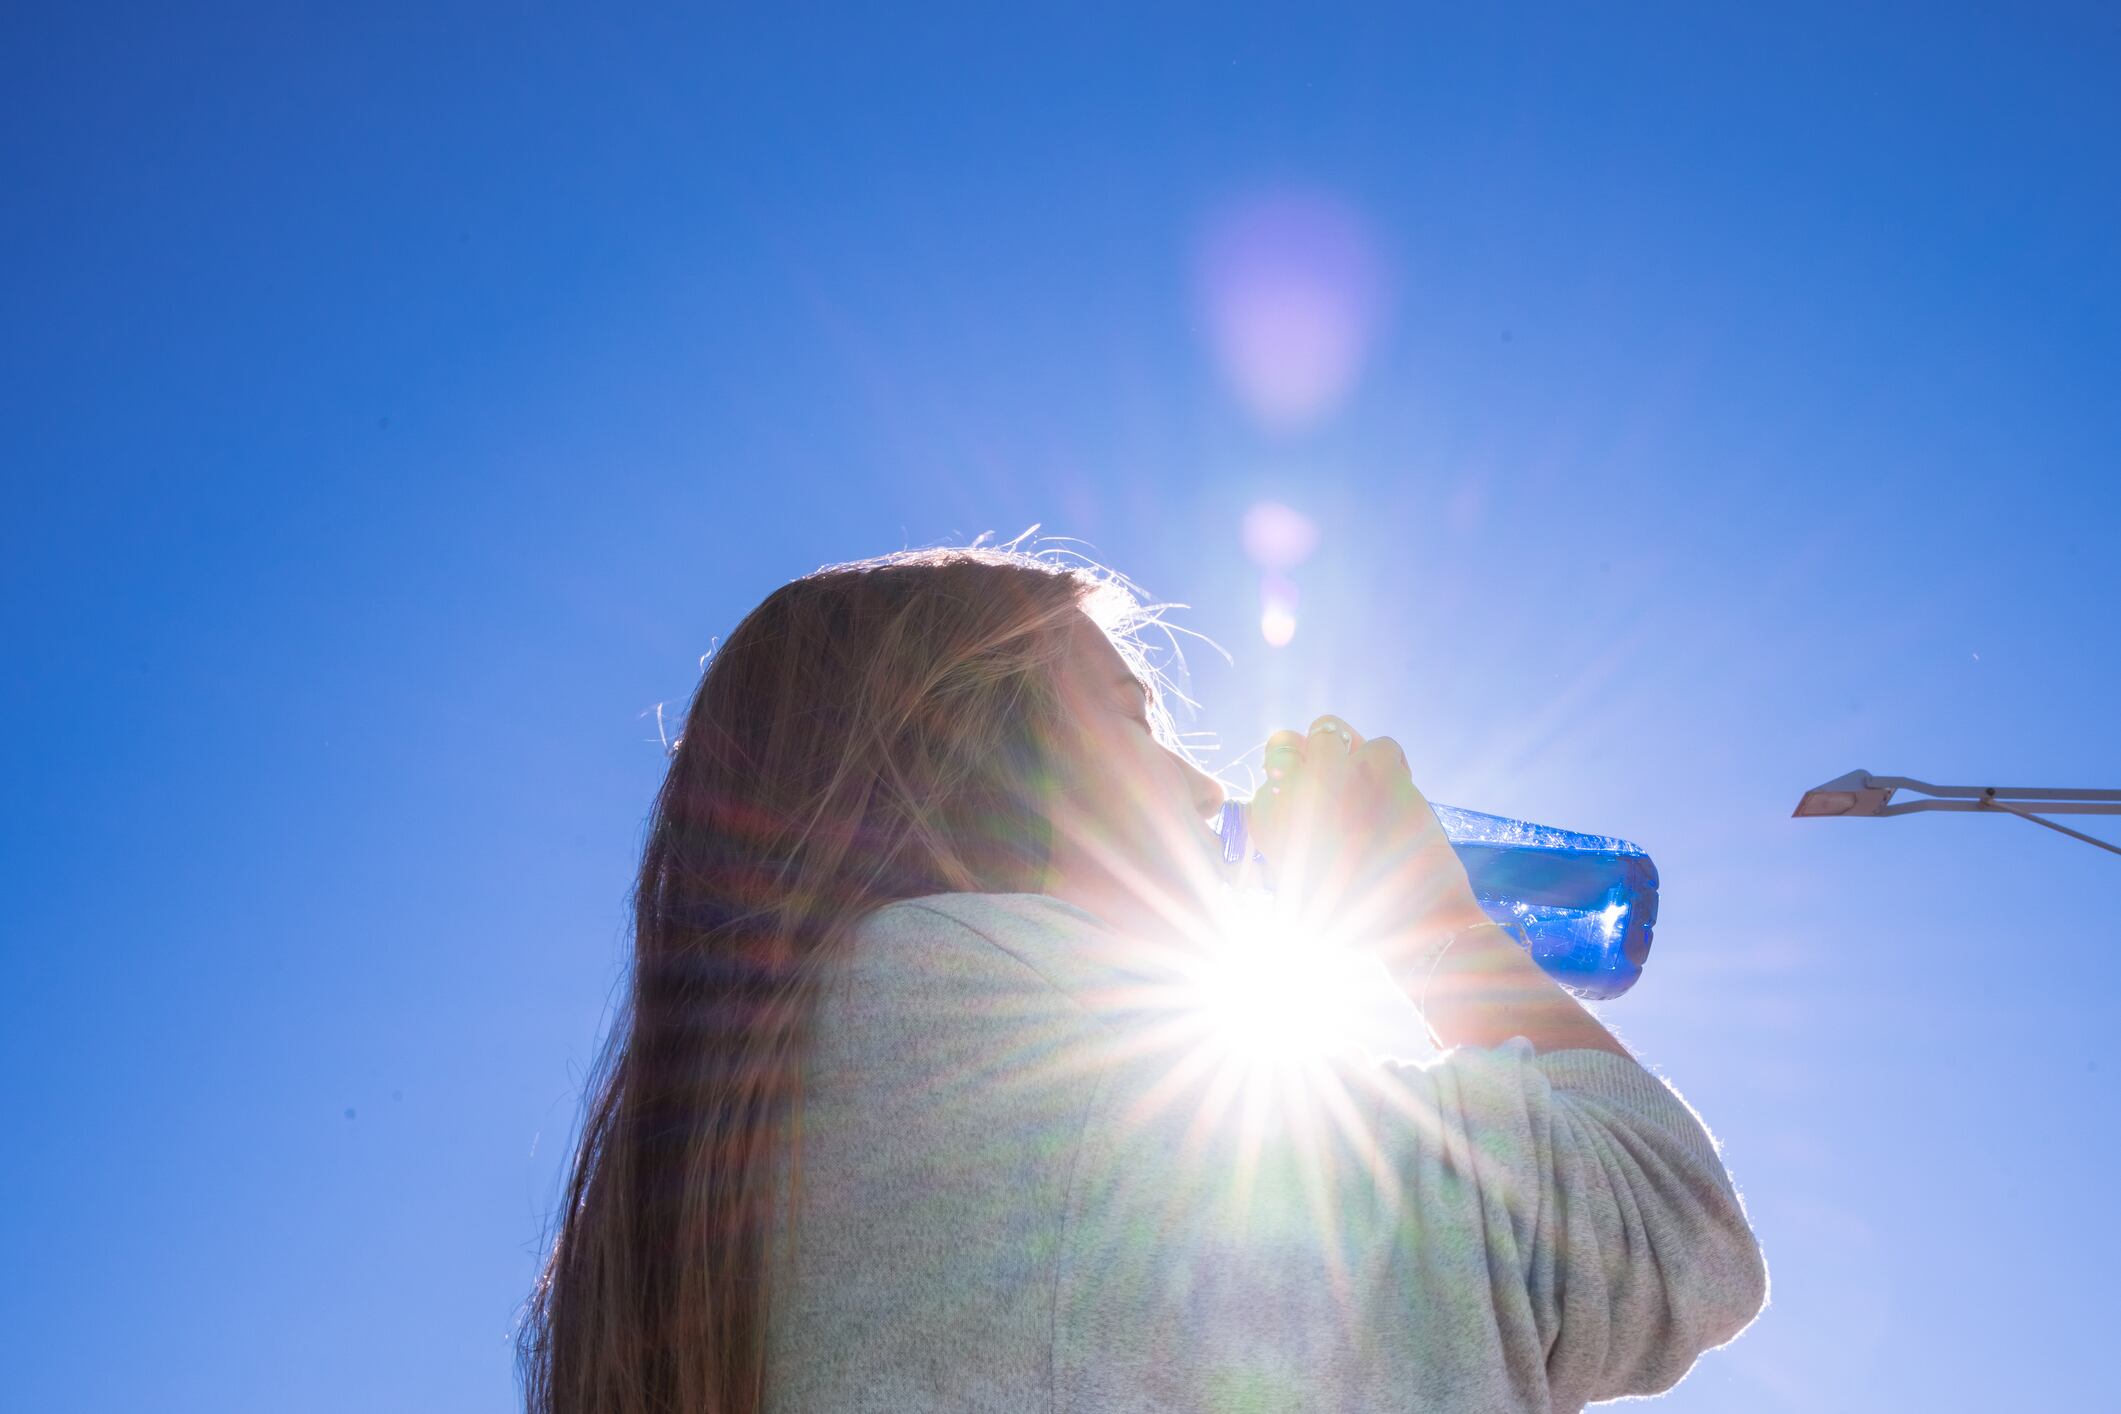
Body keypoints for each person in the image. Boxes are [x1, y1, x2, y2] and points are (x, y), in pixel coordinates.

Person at [518, 546, 1768, 1414]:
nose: (1204, 784)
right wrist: (1423, 914)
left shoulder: (774, 1118)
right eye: (1134, 717)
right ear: (969, 748)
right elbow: (1663, 1234)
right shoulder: (992, 1012)